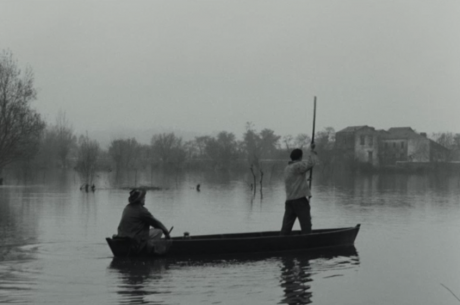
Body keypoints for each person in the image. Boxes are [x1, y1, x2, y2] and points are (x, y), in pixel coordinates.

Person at [116, 188, 171, 253]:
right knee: (159, 231)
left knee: (151, 231)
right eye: (143, 197)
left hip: (124, 236)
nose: (144, 199)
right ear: (140, 200)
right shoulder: (141, 211)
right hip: (134, 240)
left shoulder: (127, 207)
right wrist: (166, 233)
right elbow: (156, 223)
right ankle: (147, 249)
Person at [281, 146, 319, 235]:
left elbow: (296, 179)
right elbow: (311, 163)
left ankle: (281, 241)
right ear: (300, 157)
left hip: (289, 200)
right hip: (299, 201)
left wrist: (304, 180)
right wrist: (312, 152)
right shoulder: (298, 165)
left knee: (286, 227)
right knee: (306, 225)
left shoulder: (287, 168)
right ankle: (307, 242)